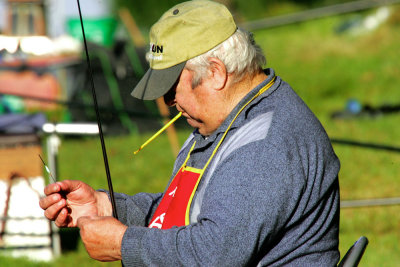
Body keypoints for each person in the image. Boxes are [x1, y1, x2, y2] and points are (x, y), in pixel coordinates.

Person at [39, 0, 341, 266]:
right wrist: (109, 207)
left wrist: (124, 244)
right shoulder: (218, 122)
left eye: (172, 88)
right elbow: (181, 212)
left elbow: (215, 254)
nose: (168, 102)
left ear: (215, 72)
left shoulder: (266, 144)